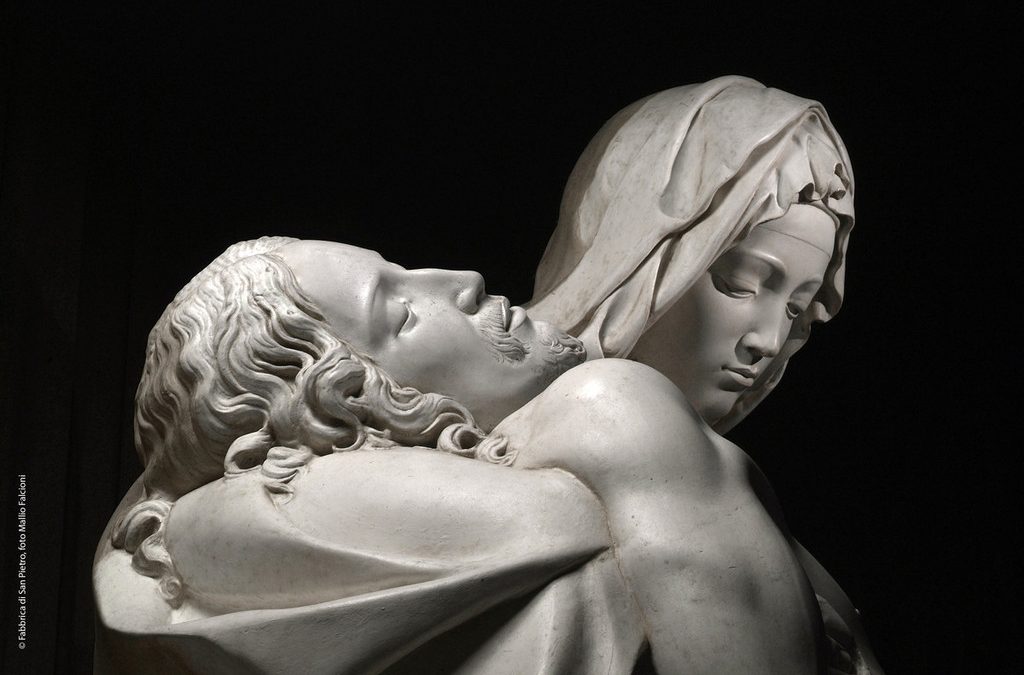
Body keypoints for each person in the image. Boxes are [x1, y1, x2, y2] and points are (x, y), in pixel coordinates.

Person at [95, 236, 828, 674]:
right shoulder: (608, 407)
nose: (463, 282)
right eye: (402, 312)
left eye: (407, 268)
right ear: (352, 403)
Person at [527, 76, 880, 673]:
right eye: (740, 285)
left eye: (797, 309)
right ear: (636, 259)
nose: (768, 341)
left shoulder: (752, 507)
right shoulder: (598, 403)